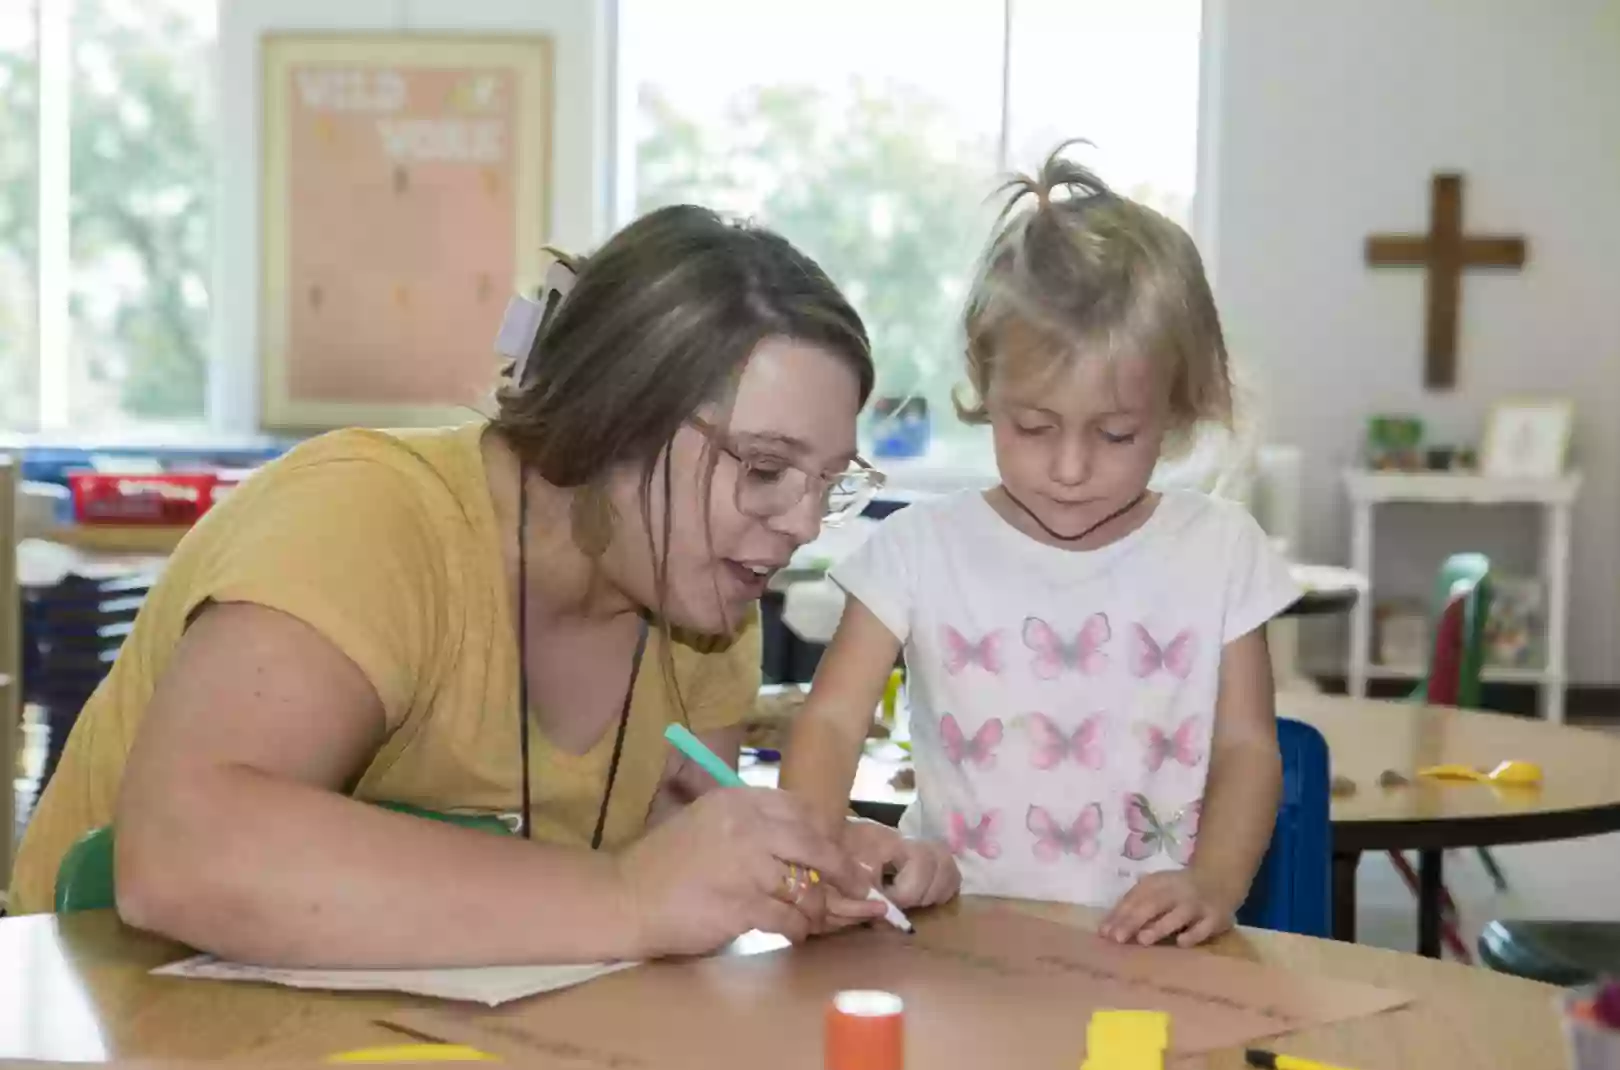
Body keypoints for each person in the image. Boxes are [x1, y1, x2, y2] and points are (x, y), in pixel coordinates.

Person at [9, 205, 959, 964]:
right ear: (614, 421)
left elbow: (666, 894)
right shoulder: (364, 517)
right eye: (763, 470)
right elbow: (180, 856)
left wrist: (788, 873)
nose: (798, 524)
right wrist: (630, 895)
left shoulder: (704, 608)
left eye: (829, 484)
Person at [780, 142, 1302, 948]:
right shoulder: (918, 549)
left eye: (1116, 433)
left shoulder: (1222, 552)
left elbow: (1246, 749)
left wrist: (1212, 883)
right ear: (985, 392)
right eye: (1032, 426)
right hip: (957, 939)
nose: (1069, 468)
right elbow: (830, 724)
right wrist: (823, 853)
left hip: (1150, 948)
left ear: (1177, 410)